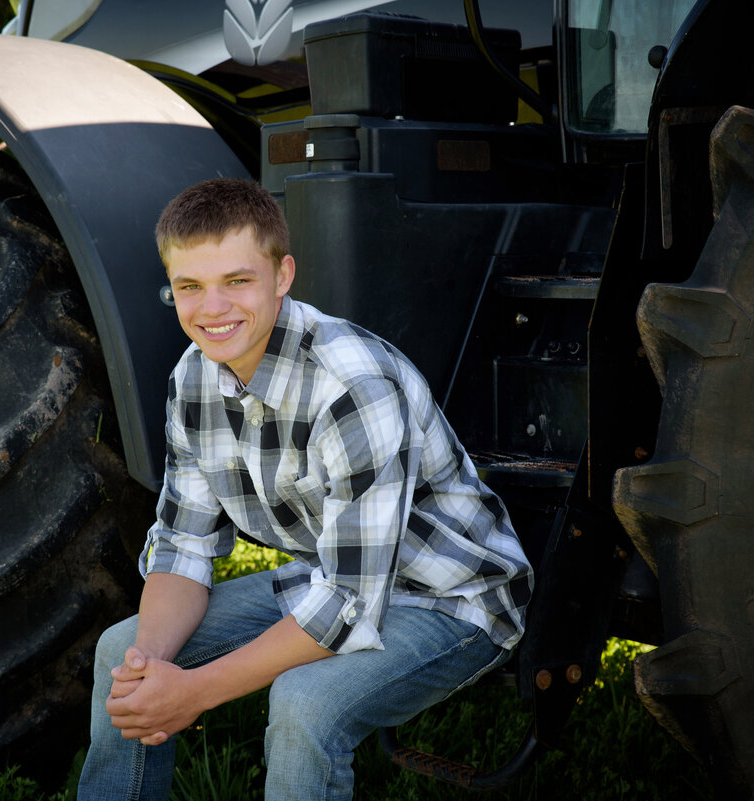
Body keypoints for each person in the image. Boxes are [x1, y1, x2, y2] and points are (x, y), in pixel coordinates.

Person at [77, 178, 532, 800]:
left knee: (303, 702)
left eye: (237, 281)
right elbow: (184, 542)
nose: (213, 309)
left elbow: (348, 603)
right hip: (327, 578)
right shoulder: (193, 377)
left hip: (447, 598)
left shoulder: (352, 382)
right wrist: (151, 667)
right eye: (190, 287)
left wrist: (191, 693)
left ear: (282, 275)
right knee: (119, 650)